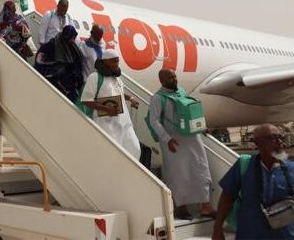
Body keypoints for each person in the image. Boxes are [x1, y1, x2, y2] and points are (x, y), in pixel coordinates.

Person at [150, 69, 214, 220]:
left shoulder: (182, 92)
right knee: (179, 175)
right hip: (174, 142)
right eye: (170, 77)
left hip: (192, 139)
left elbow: (191, 112)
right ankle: (181, 208)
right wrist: (167, 139)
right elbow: (154, 121)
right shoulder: (158, 98)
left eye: (174, 76)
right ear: (162, 80)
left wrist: (202, 127)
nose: (174, 79)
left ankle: (205, 207)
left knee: (201, 170)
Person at [213, 124, 294, 239]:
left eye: (280, 138)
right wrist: (217, 228)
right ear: (257, 143)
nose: (280, 142)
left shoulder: (291, 169)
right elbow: (227, 197)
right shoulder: (244, 166)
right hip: (250, 234)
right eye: (273, 138)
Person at [80, 50, 141, 159]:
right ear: (105, 61)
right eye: (113, 61)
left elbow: (120, 93)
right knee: (112, 154)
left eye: (117, 61)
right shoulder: (94, 77)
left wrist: (131, 98)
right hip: (105, 123)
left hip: (124, 121)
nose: (116, 64)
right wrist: (106, 109)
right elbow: (86, 100)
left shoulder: (116, 77)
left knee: (135, 150)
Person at [35, 25, 84, 104]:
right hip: (51, 85)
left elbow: (77, 66)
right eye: (70, 38)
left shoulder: (73, 48)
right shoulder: (50, 46)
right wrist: (59, 68)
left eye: (73, 38)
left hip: (68, 90)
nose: (72, 41)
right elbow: (39, 64)